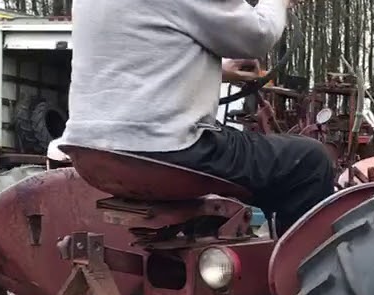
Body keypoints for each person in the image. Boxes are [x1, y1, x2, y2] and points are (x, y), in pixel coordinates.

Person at [63, 0, 336, 234]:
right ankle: (299, 283)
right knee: (309, 161)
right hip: (166, 151)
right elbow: (258, 35)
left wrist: (219, 71)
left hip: (90, 152)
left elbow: (138, 51)